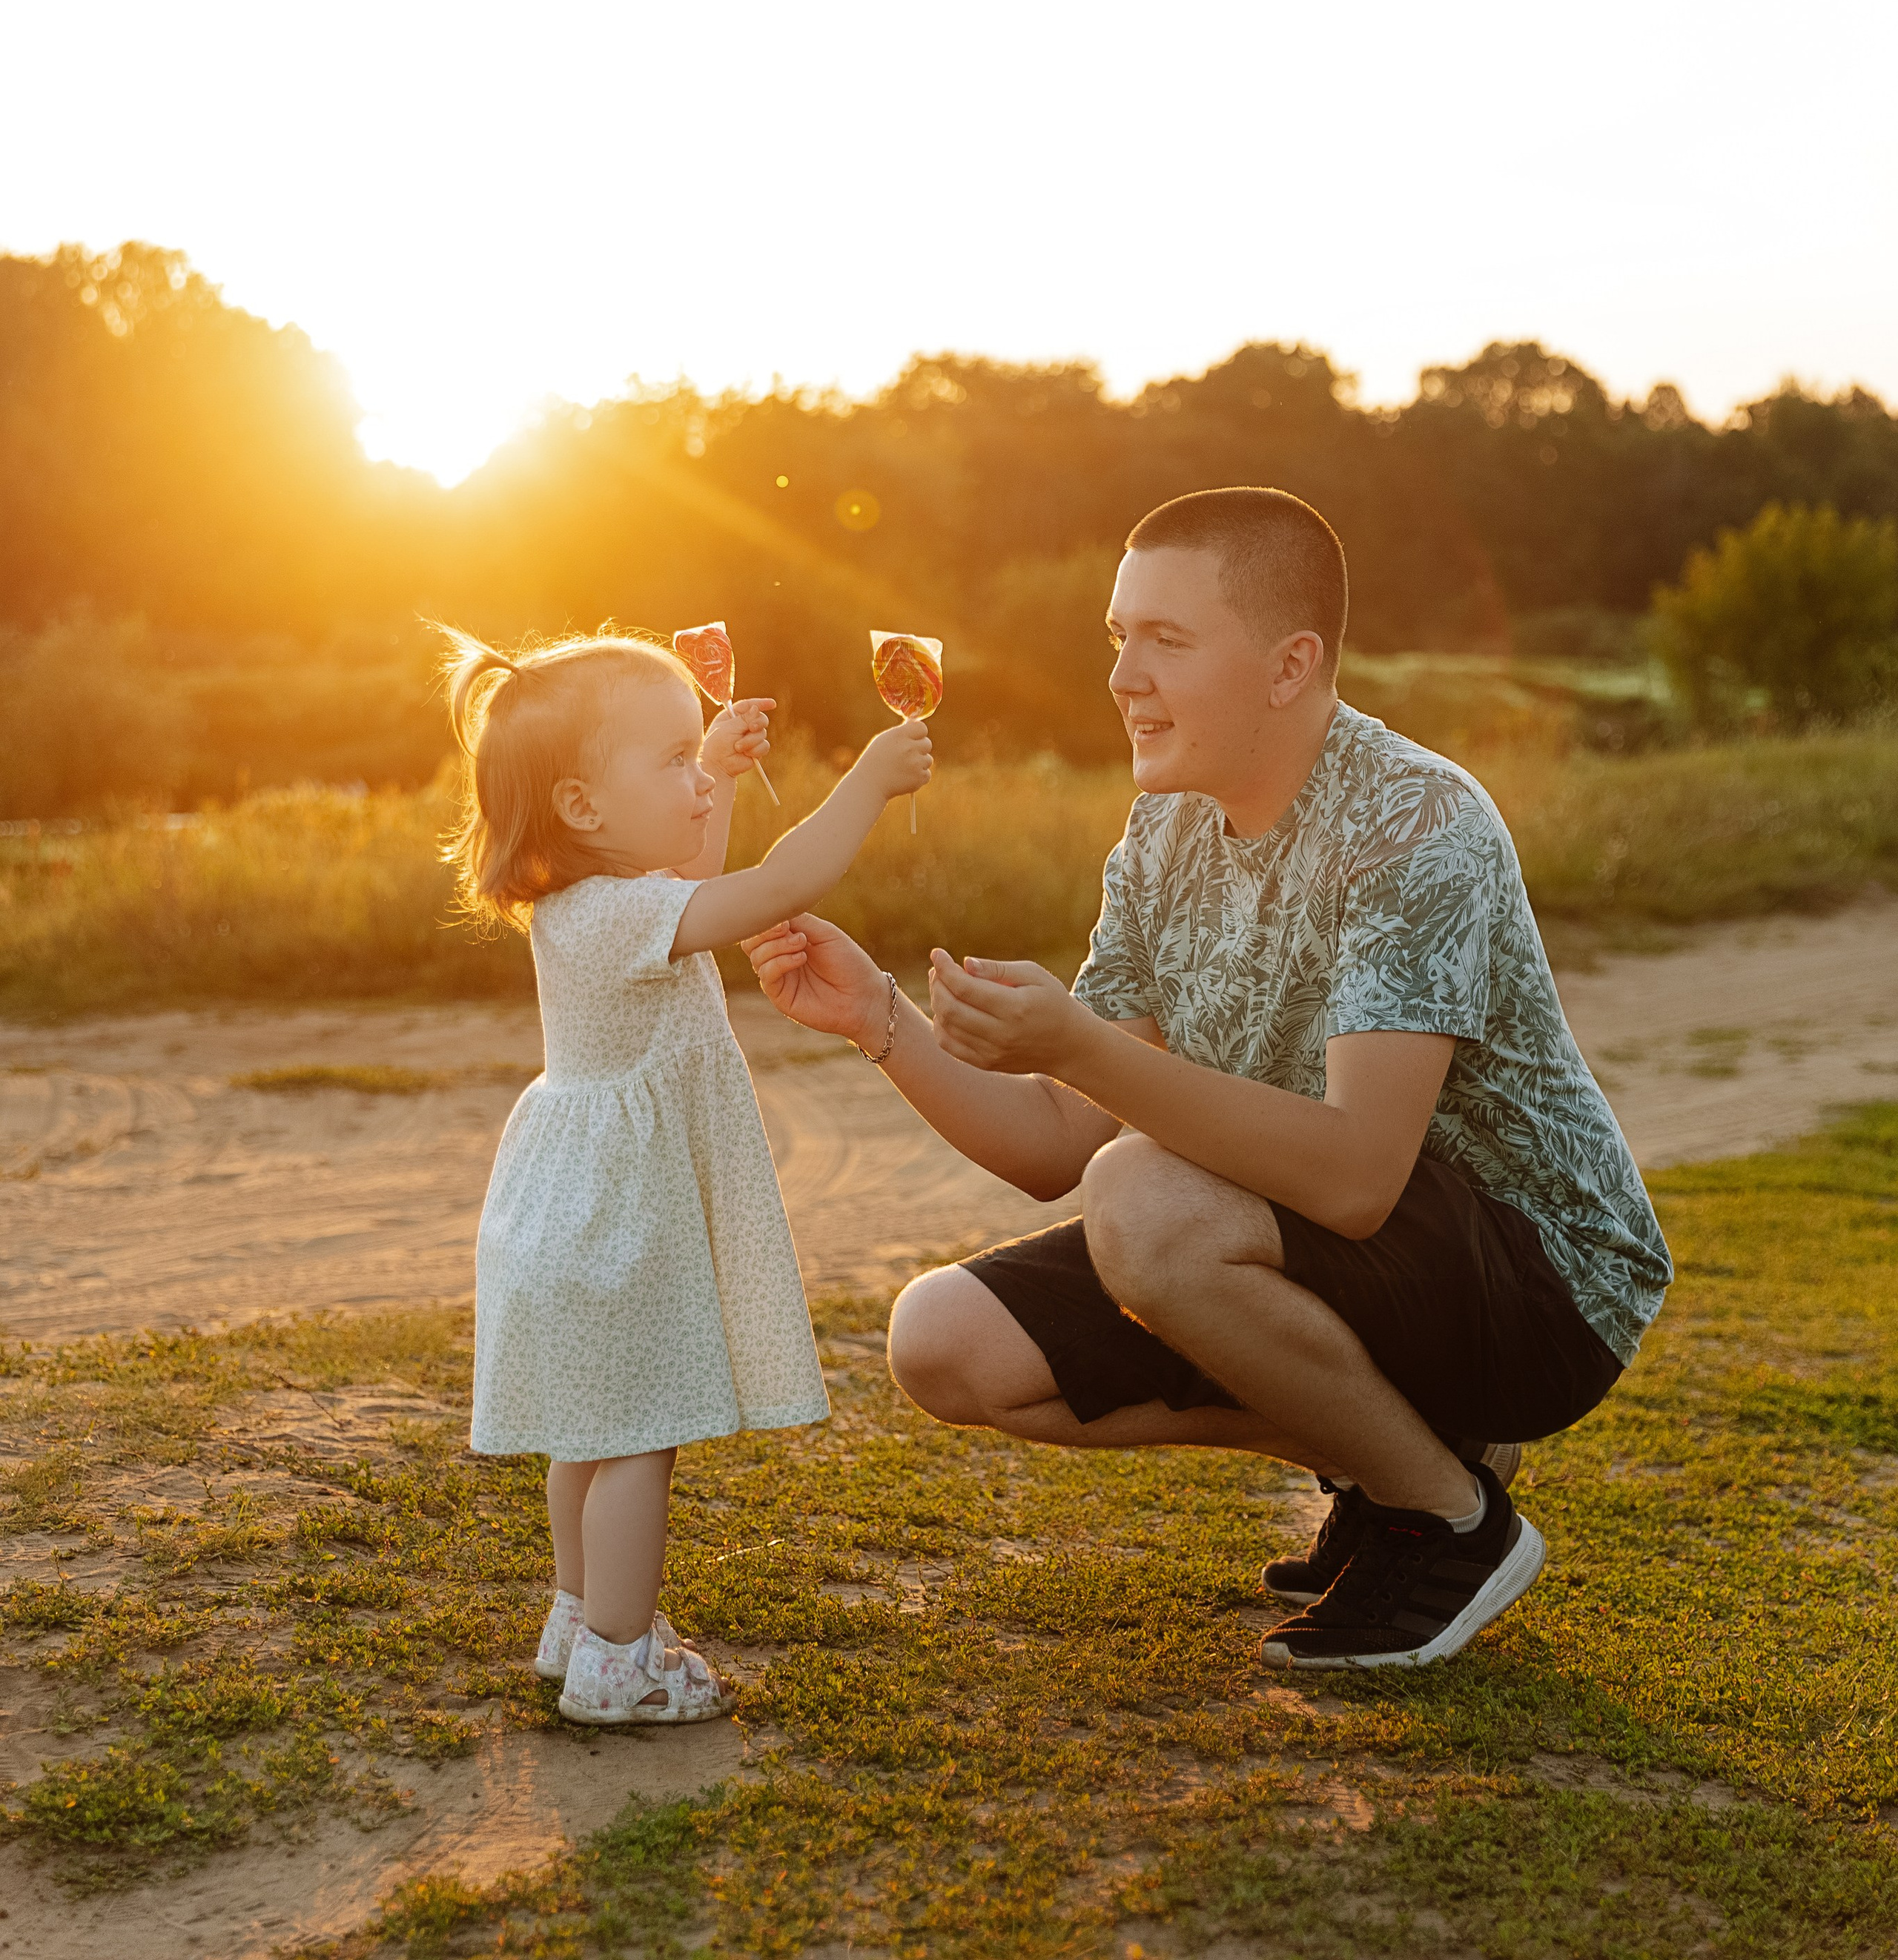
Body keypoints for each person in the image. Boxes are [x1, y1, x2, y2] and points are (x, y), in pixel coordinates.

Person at [741, 486, 1670, 1672]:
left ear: (1292, 665)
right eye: (1121, 637)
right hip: (1334, 1253)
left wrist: (1079, 1041)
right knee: (942, 1337)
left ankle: (1445, 1519)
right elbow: (1053, 1141)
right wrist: (882, 1017)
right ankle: (1418, 1456)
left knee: (1142, 1197)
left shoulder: (1416, 823)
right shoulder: (1163, 834)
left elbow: (1355, 1180)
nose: (1126, 674)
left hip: (1543, 1287)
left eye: (1167, 640)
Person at [445, 626, 932, 1726]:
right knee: (638, 1436)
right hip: (619, 1217)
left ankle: (579, 1617)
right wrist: (866, 777)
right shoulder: (616, 913)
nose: (693, 778)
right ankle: (620, 1653)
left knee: (593, 1428)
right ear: (581, 807)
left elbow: (694, 875)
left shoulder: (601, 903)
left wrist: (706, 769)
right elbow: (780, 882)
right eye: (665, 760)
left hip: (577, 1208)